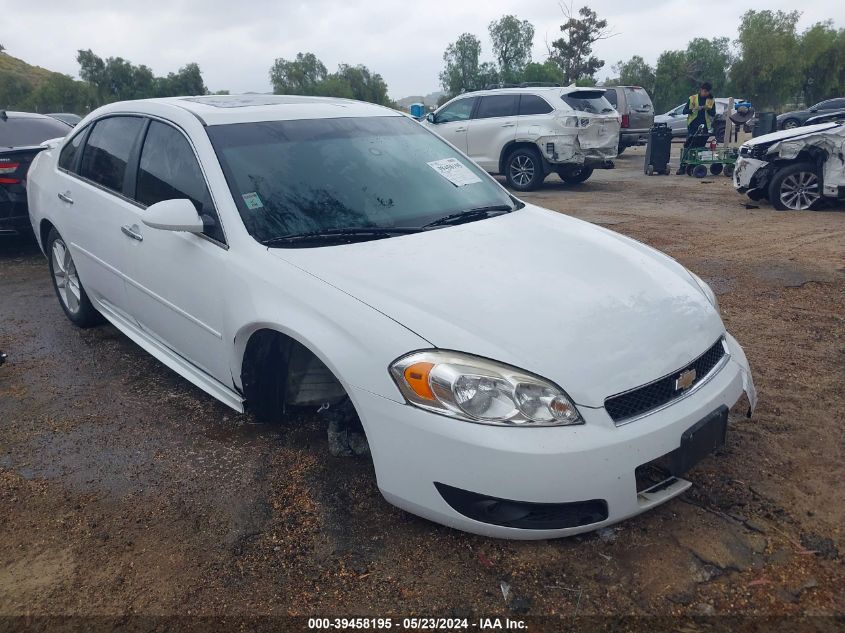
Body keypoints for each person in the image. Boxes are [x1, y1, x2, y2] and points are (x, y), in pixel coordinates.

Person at [677, 82, 717, 174]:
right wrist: (693, 109)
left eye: (707, 92)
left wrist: (707, 108)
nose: (705, 93)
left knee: (700, 147)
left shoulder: (710, 100)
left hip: (705, 127)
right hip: (693, 127)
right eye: (704, 91)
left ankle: (695, 166)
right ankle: (682, 167)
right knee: (688, 146)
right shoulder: (692, 98)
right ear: (701, 90)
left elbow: (713, 113)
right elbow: (684, 111)